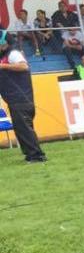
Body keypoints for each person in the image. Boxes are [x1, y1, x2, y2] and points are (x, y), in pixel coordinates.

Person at [0, 30, 46, 162]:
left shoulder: (13, 54)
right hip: (15, 100)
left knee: (24, 129)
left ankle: (37, 155)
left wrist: (3, 66)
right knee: (21, 129)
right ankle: (30, 155)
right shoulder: (4, 56)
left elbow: (23, 66)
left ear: (4, 43)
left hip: (21, 99)